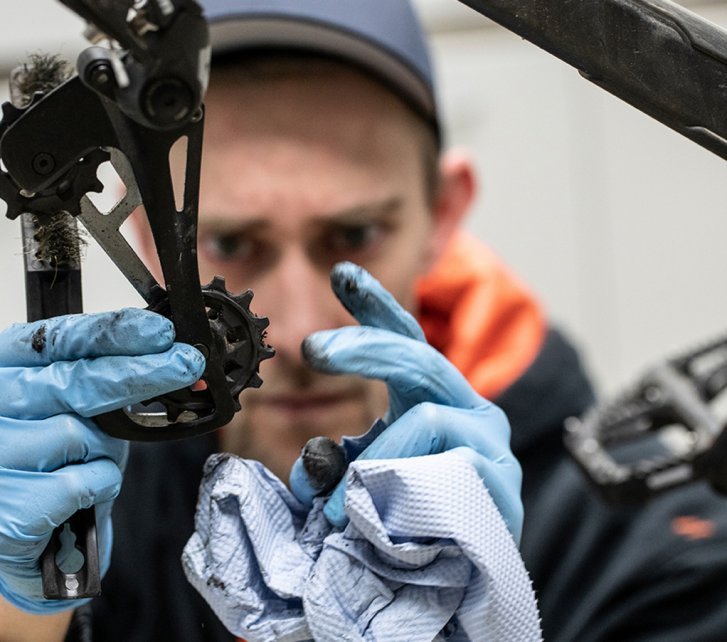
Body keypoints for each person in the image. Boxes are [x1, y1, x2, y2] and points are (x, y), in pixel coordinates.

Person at [1, 0, 727, 640]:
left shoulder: (658, 547)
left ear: (443, 213)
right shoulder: (83, 513)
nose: (296, 329)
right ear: (148, 242)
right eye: (230, 245)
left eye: (352, 238)